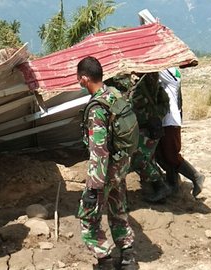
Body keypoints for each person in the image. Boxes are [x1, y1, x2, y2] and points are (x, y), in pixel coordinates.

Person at [76, 56, 138, 270]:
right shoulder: (114, 94)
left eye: (79, 79)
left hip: (105, 170)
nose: (78, 82)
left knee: (88, 217)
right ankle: (128, 255)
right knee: (118, 208)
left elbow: (99, 151)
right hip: (121, 165)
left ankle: (104, 260)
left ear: (85, 79)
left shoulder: (97, 109)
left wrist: (93, 188)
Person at [108, 73, 171, 203]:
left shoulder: (142, 86)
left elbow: (133, 106)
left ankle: (161, 186)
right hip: (149, 127)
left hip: (147, 128)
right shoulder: (150, 84)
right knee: (148, 159)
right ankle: (159, 191)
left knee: (139, 160)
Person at [156, 67, 205, 197]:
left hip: (170, 119)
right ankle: (173, 184)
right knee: (161, 154)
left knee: (171, 154)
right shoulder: (168, 71)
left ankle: (196, 176)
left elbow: (152, 69)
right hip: (164, 119)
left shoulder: (169, 70)